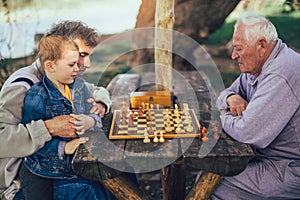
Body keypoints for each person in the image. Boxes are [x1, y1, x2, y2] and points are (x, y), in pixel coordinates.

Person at [0, 21, 111, 200]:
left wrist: (101, 103)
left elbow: (97, 90)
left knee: (117, 171)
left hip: (56, 166)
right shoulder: (23, 86)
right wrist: (48, 128)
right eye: (82, 55)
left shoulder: (64, 79)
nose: (87, 64)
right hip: (21, 183)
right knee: (89, 189)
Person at [213, 13, 300, 199]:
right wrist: (231, 98)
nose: (233, 55)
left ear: (261, 45)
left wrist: (222, 118)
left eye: (238, 49)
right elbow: (221, 97)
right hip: (269, 158)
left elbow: (246, 132)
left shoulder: (280, 73)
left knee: (214, 183)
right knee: (208, 176)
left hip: (290, 168)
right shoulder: (257, 66)